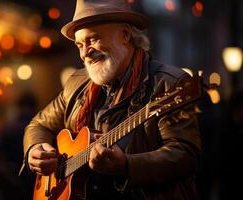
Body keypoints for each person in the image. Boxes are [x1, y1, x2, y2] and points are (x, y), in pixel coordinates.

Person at [21, 0, 202, 199]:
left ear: (125, 35)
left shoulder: (168, 84)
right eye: (79, 45)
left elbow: (185, 155)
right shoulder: (77, 83)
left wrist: (126, 165)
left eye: (92, 39)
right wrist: (35, 149)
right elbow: (38, 125)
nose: (84, 54)